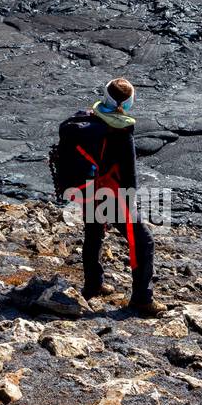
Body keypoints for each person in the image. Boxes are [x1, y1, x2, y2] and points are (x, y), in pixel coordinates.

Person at [73, 78, 164, 317]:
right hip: (113, 195)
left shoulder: (90, 118)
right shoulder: (121, 131)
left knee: (93, 233)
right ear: (127, 102)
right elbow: (129, 174)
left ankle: (93, 284)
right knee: (143, 241)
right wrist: (130, 204)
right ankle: (142, 299)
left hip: (89, 190)